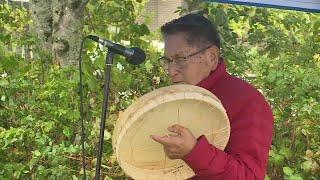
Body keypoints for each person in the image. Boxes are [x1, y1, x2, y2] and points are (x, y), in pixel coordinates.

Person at [150, 13, 274, 180]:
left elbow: (248, 176)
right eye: (167, 60)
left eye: (180, 59)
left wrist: (194, 152)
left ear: (211, 57)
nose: (171, 71)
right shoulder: (176, 97)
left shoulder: (247, 101)